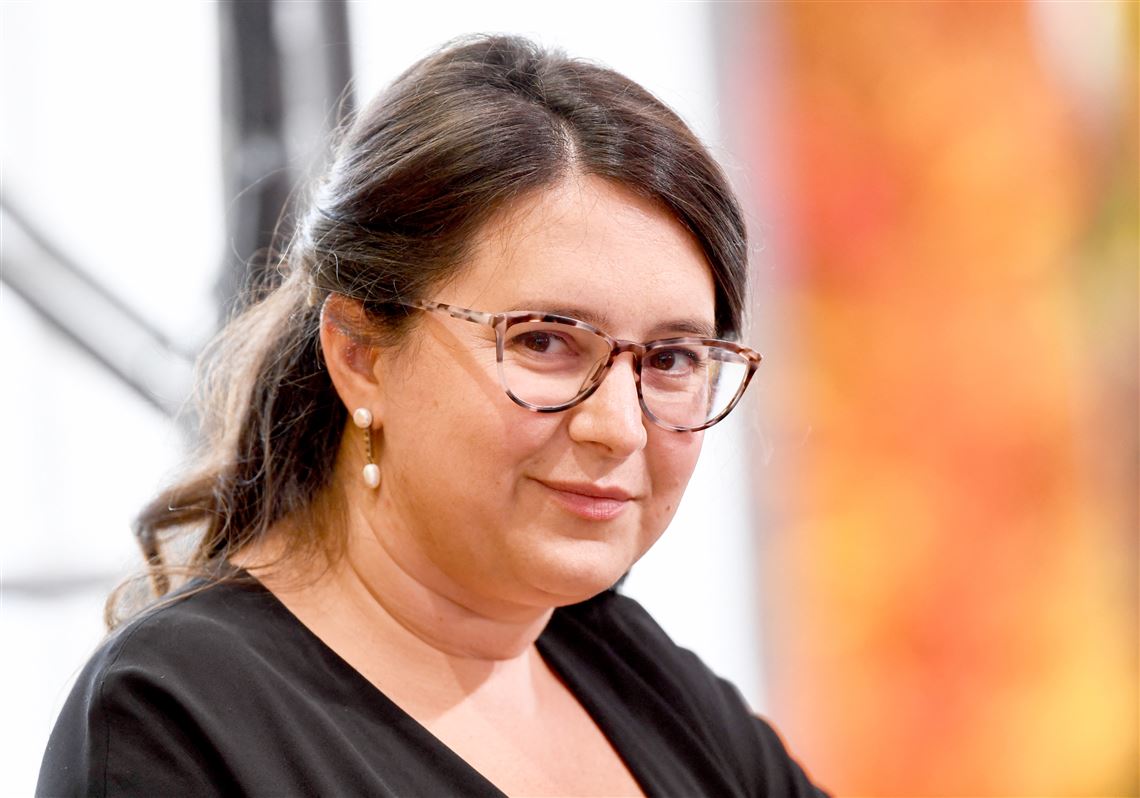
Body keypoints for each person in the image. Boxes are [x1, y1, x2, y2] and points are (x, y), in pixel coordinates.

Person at [37, 35, 828, 797]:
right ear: (361, 355)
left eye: (672, 359)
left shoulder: (639, 674)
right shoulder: (177, 719)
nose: (619, 427)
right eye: (544, 341)